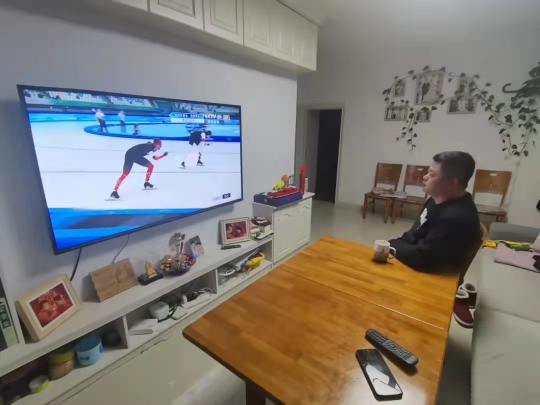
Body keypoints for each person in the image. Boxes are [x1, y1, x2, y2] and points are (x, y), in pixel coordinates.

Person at [389, 151, 480, 272]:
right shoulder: (435, 200)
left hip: (434, 275)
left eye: (432, 174)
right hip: (417, 263)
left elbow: (422, 258)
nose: (425, 177)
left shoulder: (457, 218)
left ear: (453, 181)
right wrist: (394, 244)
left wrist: (391, 245)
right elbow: (414, 234)